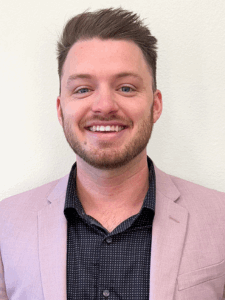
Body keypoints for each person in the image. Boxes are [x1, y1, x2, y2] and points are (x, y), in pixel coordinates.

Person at [0, 7, 225, 300]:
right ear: (60, 109)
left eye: (126, 88)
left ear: (155, 105)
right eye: (82, 89)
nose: (104, 105)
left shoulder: (221, 218)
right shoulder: (6, 224)